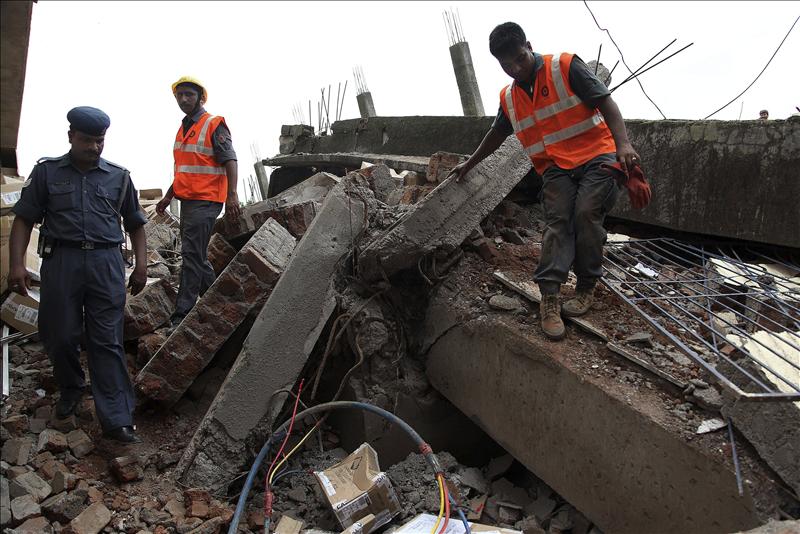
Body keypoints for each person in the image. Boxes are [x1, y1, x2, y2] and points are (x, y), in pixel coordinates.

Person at [448, 22, 641, 341]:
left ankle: (586, 287)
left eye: (519, 59)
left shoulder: (564, 67)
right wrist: (470, 163)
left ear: (528, 45)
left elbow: (606, 102)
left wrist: (624, 144)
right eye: (506, 65)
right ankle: (549, 300)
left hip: (598, 155)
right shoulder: (509, 97)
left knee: (586, 215)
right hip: (556, 166)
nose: (515, 68)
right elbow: (497, 133)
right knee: (557, 224)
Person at [8, 106, 147, 443]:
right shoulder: (47, 173)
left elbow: (136, 224)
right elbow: (24, 219)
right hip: (62, 262)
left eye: (99, 141)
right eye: (87, 140)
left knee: (106, 340)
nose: (94, 147)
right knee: (60, 334)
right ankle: (71, 387)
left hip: (106, 265)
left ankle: (117, 418)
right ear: (71, 136)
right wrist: (16, 265)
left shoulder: (119, 177)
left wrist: (141, 265)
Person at [156, 76, 240, 331]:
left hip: (207, 200)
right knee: (196, 256)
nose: (183, 99)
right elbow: (185, 170)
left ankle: (183, 313)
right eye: (179, 95)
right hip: (189, 201)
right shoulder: (184, 128)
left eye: (189, 95)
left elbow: (230, 160)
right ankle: (223, 303)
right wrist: (169, 195)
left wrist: (232, 195)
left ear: (200, 97)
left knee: (192, 255)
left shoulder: (213, 124)